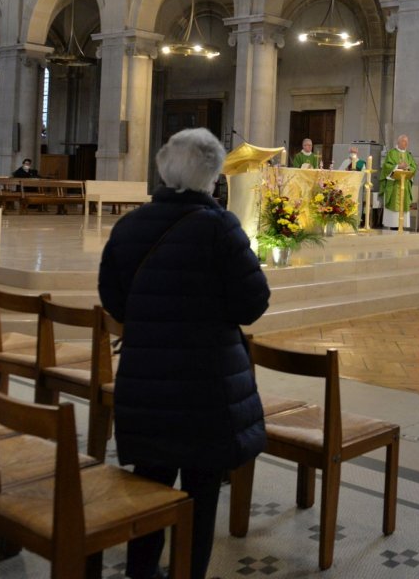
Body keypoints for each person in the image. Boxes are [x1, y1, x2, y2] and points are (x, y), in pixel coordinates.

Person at [98, 128, 270, 579]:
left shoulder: (129, 226)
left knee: (147, 485)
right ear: (212, 176)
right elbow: (252, 304)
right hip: (206, 387)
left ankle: (141, 570)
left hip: (145, 382)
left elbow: (114, 301)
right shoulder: (220, 227)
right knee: (201, 492)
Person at [380, 134, 417, 229]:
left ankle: (402, 224)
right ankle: (393, 225)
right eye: (404, 141)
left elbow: (414, 167)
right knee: (394, 202)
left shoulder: (409, 155)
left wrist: (408, 167)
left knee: (404, 203)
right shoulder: (392, 153)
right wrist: (398, 166)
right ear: (398, 142)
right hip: (394, 185)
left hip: (405, 184)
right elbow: (386, 166)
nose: (406, 143)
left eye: (407, 142)